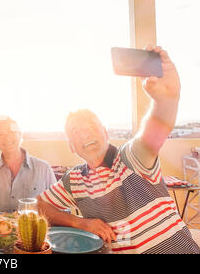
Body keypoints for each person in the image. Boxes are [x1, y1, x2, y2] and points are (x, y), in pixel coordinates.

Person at [37, 46, 200, 254]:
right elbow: (37, 206)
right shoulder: (74, 180)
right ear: (71, 146)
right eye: (76, 132)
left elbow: (154, 130)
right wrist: (81, 223)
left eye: (91, 127)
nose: (85, 134)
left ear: (105, 133)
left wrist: (166, 99)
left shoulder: (130, 158)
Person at [0, 116, 57, 212]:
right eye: (1, 134)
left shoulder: (43, 168)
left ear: (20, 134)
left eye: (12, 132)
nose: (7, 138)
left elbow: (57, 205)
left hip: (32, 225)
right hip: (1, 225)